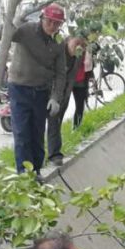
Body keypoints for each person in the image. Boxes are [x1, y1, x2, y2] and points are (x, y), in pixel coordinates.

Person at [7, 4, 68, 174]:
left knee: (37, 134)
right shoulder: (27, 30)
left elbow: (61, 73)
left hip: (42, 92)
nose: (53, 26)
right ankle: (24, 174)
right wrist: (15, 21)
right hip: (19, 89)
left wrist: (55, 97)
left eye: (57, 23)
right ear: (42, 18)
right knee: (21, 134)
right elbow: (3, 35)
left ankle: (36, 171)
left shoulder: (59, 42)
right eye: (49, 21)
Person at [45, 37, 88, 167]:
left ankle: (52, 152)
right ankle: (54, 155)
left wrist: (65, 96)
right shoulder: (58, 51)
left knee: (57, 123)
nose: (79, 46)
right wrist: (54, 96)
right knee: (52, 120)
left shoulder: (79, 56)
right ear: (68, 41)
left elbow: (71, 77)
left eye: (82, 44)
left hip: (65, 93)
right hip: (50, 92)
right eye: (76, 42)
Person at [71, 44, 93, 130]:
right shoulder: (70, 48)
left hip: (81, 82)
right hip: (70, 81)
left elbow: (89, 66)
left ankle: (76, 127)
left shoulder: (87, 49)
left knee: (80, 106)